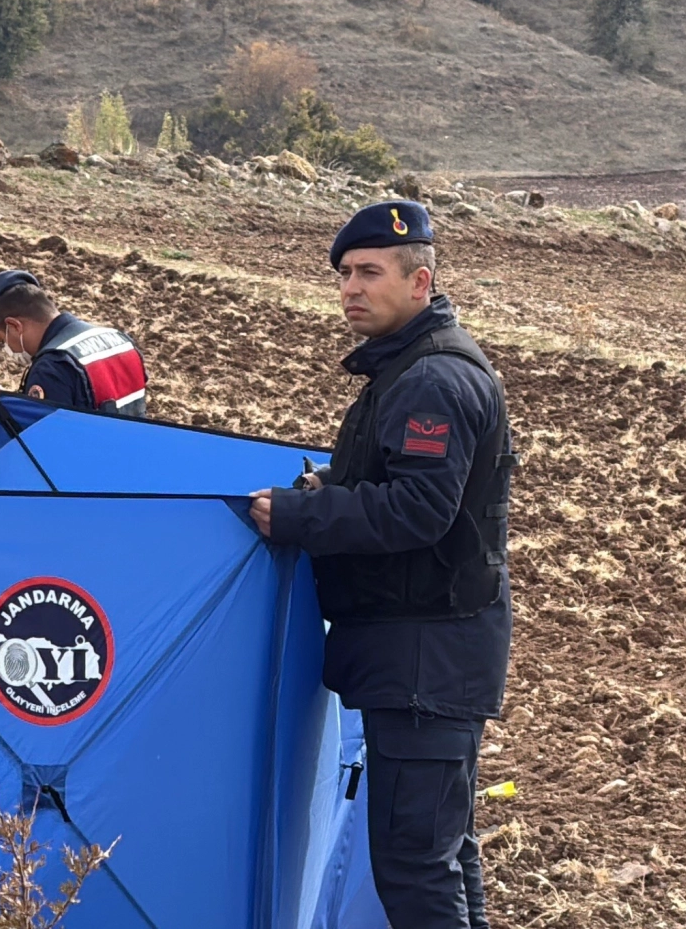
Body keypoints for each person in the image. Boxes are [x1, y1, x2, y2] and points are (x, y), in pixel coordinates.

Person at [247, 200, 514, 929]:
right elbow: (398, 482)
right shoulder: (406, 369)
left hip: (427, 659)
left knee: (415, 866)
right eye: (344, 274)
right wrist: (329, 486)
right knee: (442, 854)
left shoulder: (432, 380)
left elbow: (420, 509)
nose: (350, 289)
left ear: (420, 282)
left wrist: (300, 517)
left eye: (369, 273)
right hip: (427, 651)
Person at [0, 270, 147, 415]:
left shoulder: (51, 367)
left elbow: (44, 441)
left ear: (14, 326)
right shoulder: (119, 340)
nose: (6, 349)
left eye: (2, 340)